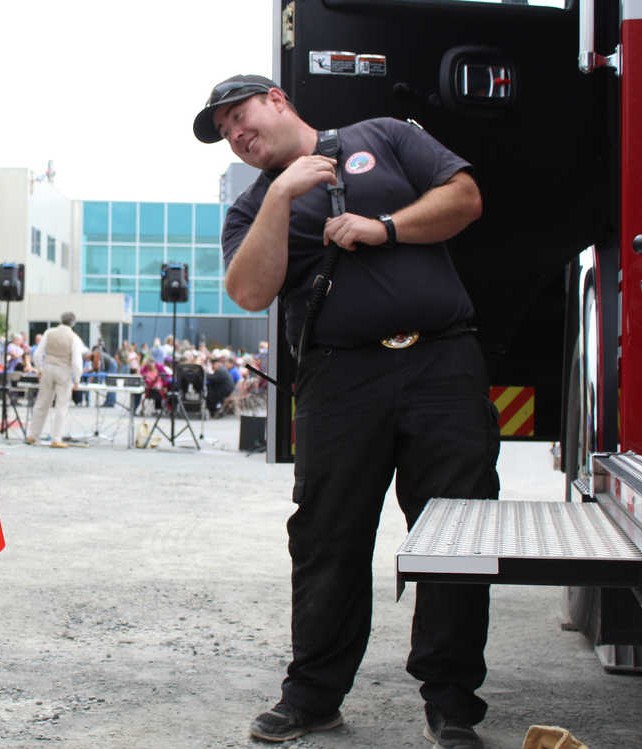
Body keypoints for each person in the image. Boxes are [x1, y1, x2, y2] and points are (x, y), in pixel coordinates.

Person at [195, 74, 499, 748]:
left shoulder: (382, 137)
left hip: (441, 363)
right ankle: (313, 695)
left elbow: (464, 198)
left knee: (457, 533)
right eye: (226, 134)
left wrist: (383, 227)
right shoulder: (252, 207)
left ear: (277, 98)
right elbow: (248, 291)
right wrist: (280, 194)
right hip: (341, 375)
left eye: (240, 117)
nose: (237, 136)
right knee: (327, 536)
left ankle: (452, 701)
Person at [26, 312, 84, 448]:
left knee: (41, 403)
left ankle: (32, 435)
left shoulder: (49, 332)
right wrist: (77, 379)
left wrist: (39, 369)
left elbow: (37, 354)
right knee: (61, 405)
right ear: (73, 323)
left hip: (48, 368)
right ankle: (56, 438)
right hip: (64, 370)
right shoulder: (74, 338)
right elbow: (76, 362)